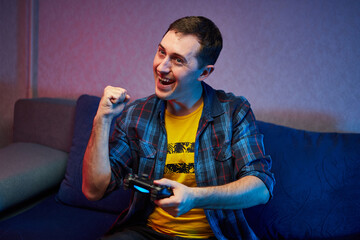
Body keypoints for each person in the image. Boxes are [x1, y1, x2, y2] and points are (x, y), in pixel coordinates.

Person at [82, 16, 275, 240]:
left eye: (178, 60)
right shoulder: (137, 114)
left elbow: (261, 187)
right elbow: (93, 191)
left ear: (204, 73)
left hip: (212, 235)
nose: (161, 67)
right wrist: (102, 119)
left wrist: (194, 197)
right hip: (148, 232)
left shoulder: (233, 111)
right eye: (161, 52)